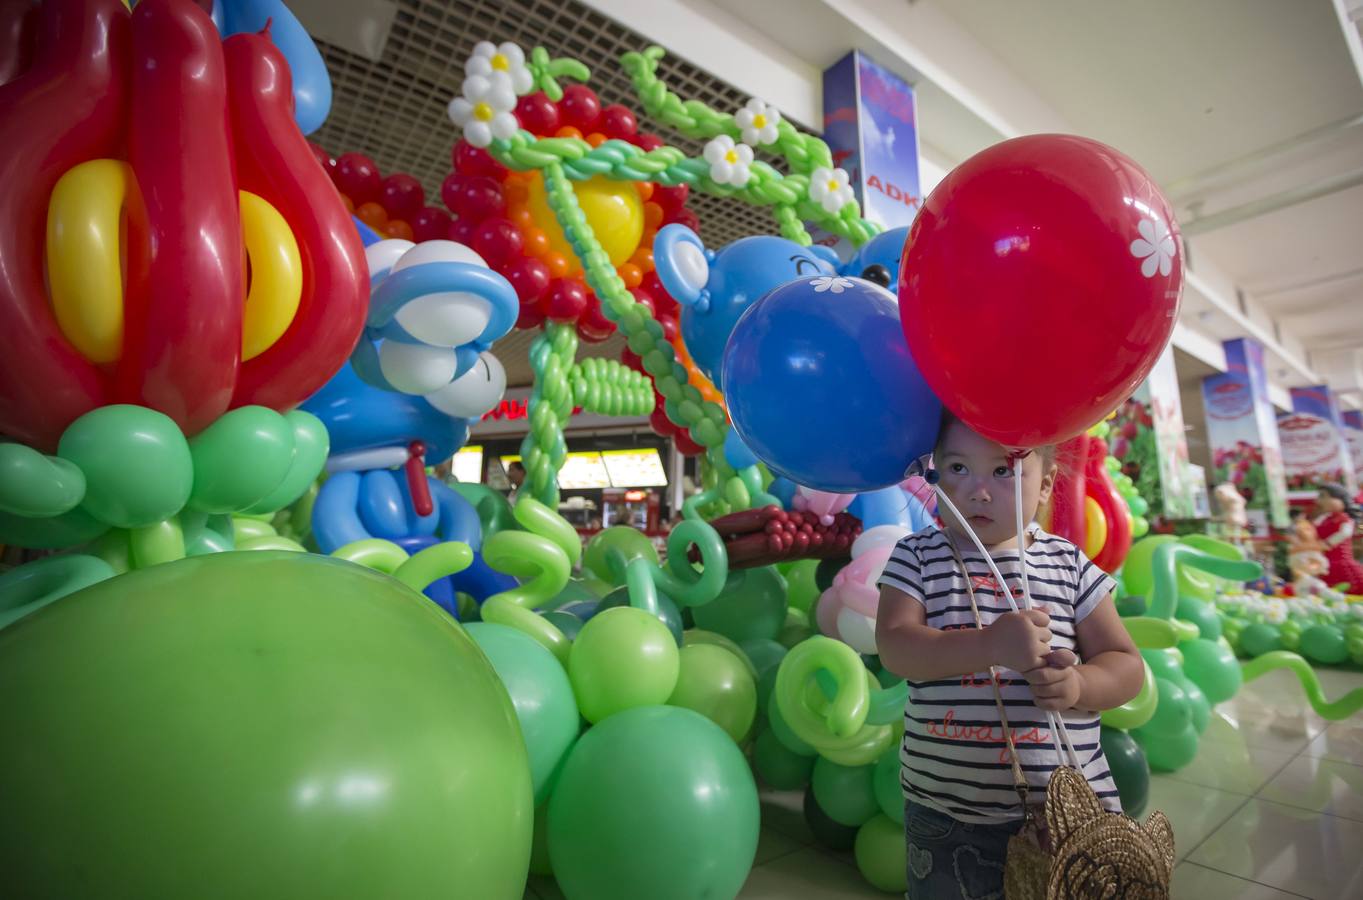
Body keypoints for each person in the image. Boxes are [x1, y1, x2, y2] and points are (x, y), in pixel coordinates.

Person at [875, 413, 1144, 899]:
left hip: (1066, 815)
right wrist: (989, 647)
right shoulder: (915, 557)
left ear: (1046, 485)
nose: (978, 491)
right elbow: (895, 646)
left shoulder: (1068, 564)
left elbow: (1126, 665)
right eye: (957, 468)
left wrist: (1081, 684)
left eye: (1004, 471)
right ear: (933, 473)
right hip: (947, 816)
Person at [1313, 483, 1363, 595]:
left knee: (1351, 585)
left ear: (1340, 499)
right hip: (1324, 562)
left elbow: (1345, 533)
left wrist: (1327, 543)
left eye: (1324, 496)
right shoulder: (1323, 518)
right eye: (1320, 496)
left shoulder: (1345, 518)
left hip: (1341, 560)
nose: (1321, 500)